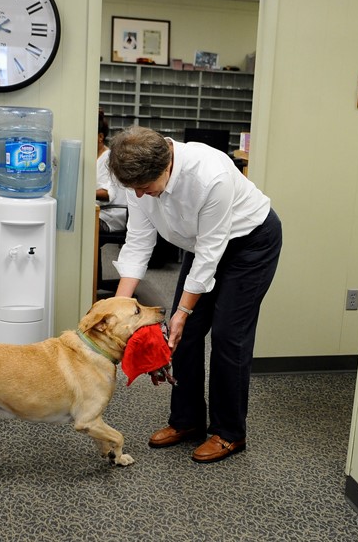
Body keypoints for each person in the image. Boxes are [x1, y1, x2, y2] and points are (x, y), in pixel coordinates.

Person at [107, 125, 282, 464]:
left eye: (145, 188)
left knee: (230, 336)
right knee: (181, 338)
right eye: (134, 190)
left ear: (167, 167)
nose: (139, 196)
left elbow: (210, 254)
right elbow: (139, 242)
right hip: (200, 243)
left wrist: (182, 312)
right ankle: (186, 420)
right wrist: (118, 309)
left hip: (250, 245)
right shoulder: (137, 178)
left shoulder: (210, 174)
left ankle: (230, 432)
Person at [95, 111, 127, 233]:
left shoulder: (108, 158)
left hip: (111, 215)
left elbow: (107, 193)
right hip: (100, 211)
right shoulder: (95, 158)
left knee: (81, 226)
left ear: (100, 137)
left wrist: (83, 194)